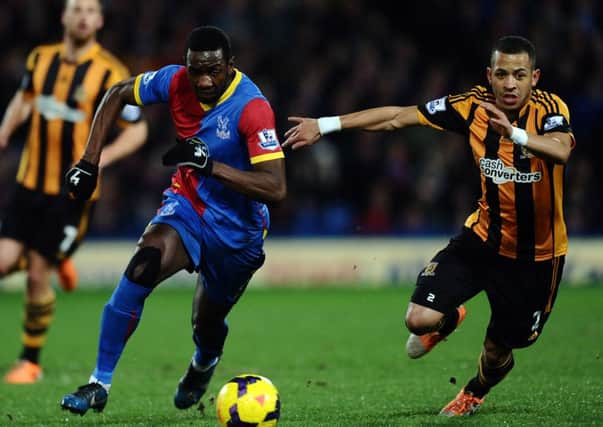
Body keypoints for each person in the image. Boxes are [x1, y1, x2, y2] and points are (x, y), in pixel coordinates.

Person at [283, 35, 573, 417]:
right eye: (501, 74)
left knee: (500, 350)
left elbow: (562, 148)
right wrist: (325, 124)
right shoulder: (471, 106)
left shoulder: (550, 108)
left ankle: (474, 391)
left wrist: (515, 135)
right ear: (490, 75)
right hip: (483, 239)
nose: (509, 84)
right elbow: (397, 117)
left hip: (536, 256)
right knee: (417, 319)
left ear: (534, 77)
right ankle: (449, 318)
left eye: (519, 75)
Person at [59, 25, 286, 416]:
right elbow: (116, 94)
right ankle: (99, 382)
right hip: (188, 208)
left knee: (206, 323)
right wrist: (89, 162)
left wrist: (211, 166)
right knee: (143, 264)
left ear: (231, 66)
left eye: (213, 70)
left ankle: (204, 362)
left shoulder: (252, 108)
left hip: (238, 233)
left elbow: (275, 187)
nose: (203, 80)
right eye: (195, 69)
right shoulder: (173, 81)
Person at [0, 0, 148, 384]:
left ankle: (29, 361)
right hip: (28, 184)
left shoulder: (111, 73)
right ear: (64, 16)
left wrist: (100, 160)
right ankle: (60, 257)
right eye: (75, 9)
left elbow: (138, 130)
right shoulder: (40, 59)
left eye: (89, 10)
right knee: (3, 263)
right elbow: (25, 99)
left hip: (71, 196)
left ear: (99, 20)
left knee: (36, 274)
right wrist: (4, 131)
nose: (82, 16)